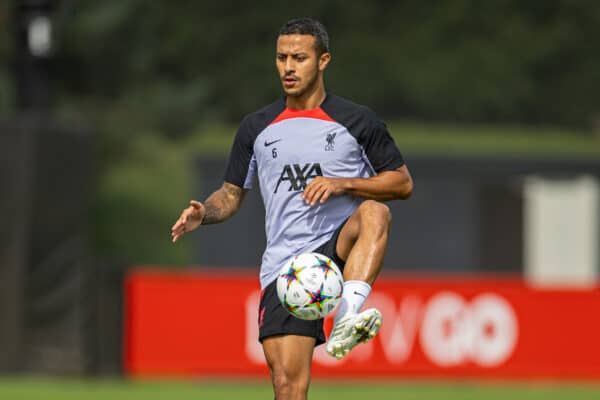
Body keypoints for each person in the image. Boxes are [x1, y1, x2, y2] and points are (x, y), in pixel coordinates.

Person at [171, 17, 413, 400]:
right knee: (288, 386)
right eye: (281, 57)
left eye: (299, 57)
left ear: (323, 60)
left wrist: (343, 182)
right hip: (287, 269)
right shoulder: (256, 127)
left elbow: (401, 184)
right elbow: (230, 195)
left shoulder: (357, 121)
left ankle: (347, 316)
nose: (288, 67)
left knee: (375, 211)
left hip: (335, 246)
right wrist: (206, 213)